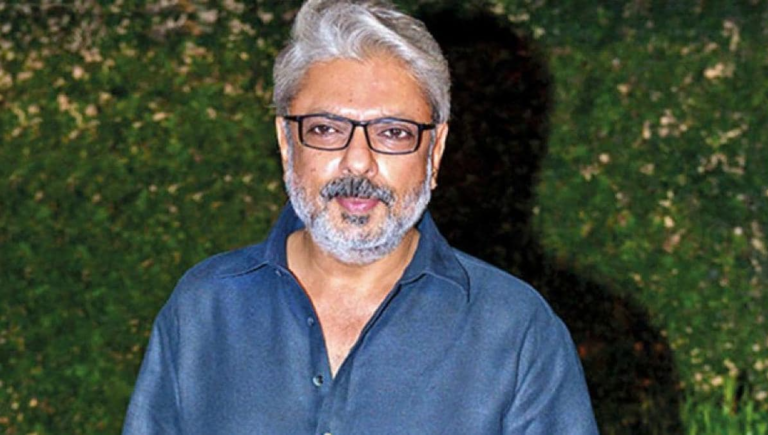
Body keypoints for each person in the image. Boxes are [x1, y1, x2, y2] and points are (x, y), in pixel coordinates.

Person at [122, 0, 599, 433]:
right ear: (287, 143)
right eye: (326, 129)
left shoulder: (516, 332)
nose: (357, 162)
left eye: (393, 132)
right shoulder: (204, 309)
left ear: (434, 151)